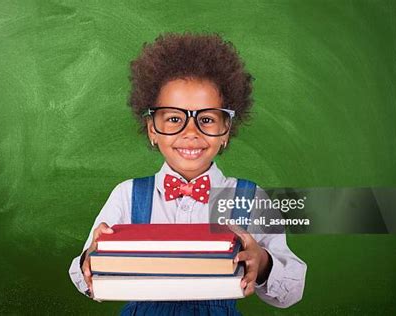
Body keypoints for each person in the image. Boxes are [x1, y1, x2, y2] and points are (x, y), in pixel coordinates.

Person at [69, 32, 307, 315]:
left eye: (206, 119)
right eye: (173, 119)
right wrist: (91, 260)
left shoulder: (248, 197)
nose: (190, 132)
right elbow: (81, 275)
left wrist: (264, 264)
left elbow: (293, 289)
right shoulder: (127, 194)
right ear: (152, 130)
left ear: (226, 131)